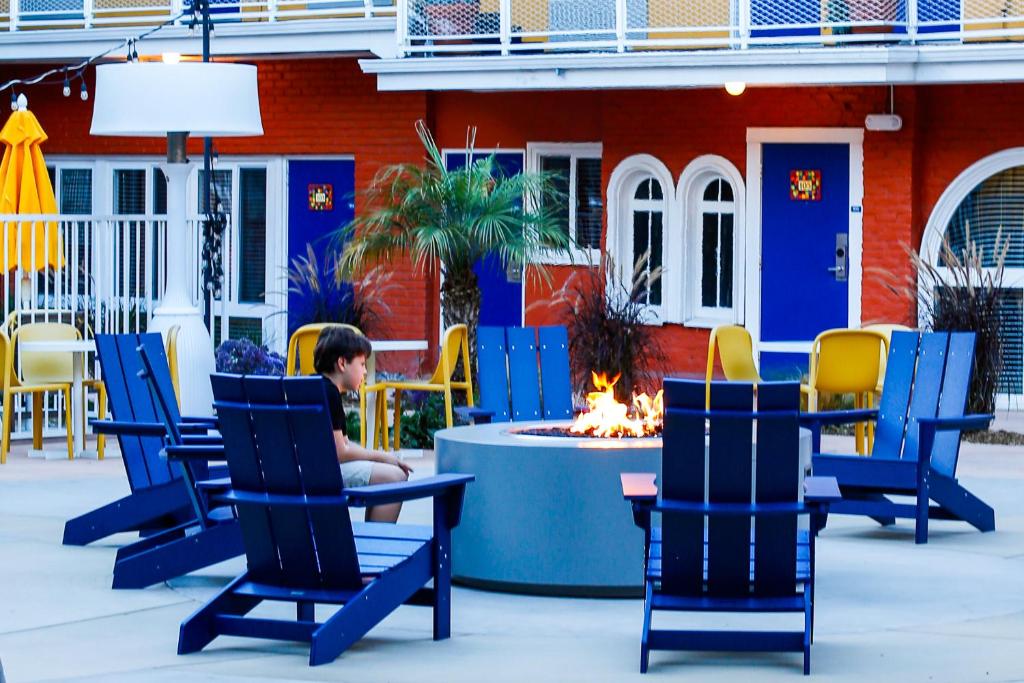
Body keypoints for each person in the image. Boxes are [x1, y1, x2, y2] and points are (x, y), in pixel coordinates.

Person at [314, 326, 412, 523]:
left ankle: (372, 538)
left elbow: (344, 445)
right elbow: (341, 453)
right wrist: (384, 456)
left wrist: (380, 459)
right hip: (321, 474)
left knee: (388, 470)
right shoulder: (329, 394)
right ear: (342, 363)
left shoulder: (310, 386)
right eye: (361, 364)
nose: (365, 371)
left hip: (303, 472)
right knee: (395, 477)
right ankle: (375, 542)